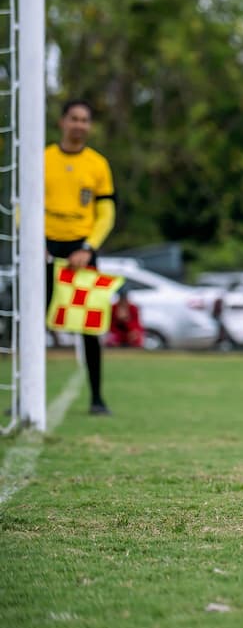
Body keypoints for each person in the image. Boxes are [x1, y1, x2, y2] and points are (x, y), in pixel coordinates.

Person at [45, 99, 117, 414]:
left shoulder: (97, 164)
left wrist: (89, 247)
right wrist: (34, 242)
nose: (79, 124)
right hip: (45, 250)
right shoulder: (43, 159)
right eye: (73, 118)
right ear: (62, 122)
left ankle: (97, 398)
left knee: (89, 328)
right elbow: (24, 205)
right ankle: (26, 396)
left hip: (82, 253)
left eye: (84, 120)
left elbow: (106, 211)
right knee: (32, 325)